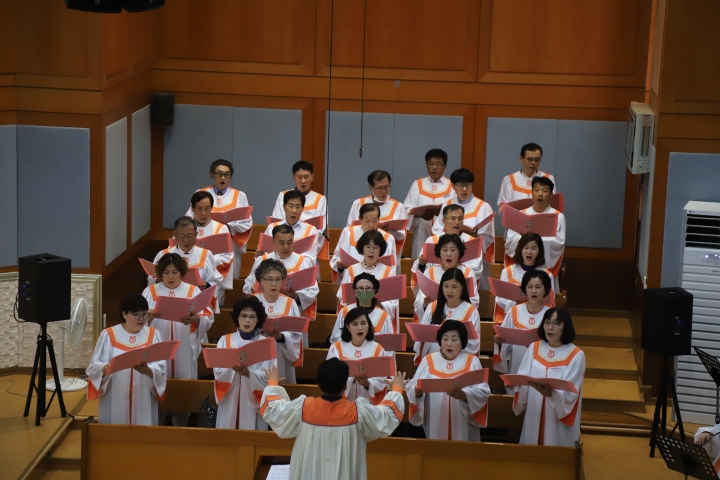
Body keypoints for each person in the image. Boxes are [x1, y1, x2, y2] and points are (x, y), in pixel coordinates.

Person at [260, 359, 407, 480]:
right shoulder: (358, 413)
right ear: (345, 386)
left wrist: (272, 382)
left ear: (318, 384)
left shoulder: (303, 408)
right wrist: (397, 389)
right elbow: (387, 414)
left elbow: (273, 409)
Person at [143, 253, 214, 426]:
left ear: (181, 272)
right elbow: (138, 320)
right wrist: (147, 318)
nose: (170, 277)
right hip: (158, 346)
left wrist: (195, 319)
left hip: (184, 346)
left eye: (174, 272)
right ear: (160, 273)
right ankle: (157, 424)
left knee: (183, 390)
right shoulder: (150, 292)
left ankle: (181, 424)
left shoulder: (192, 291)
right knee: (157, 382)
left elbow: (207, 317)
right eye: (166, 273)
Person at [86, 293, 166, 426]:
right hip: (115, 395)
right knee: (115, 432)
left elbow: (161, 367)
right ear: (124, 314)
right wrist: (104, 369)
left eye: (144, 314)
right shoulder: (108, 335)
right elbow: (93, 367)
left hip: (143, 396)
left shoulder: (154, 335)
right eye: (136, 315)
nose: (141, 319)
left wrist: (148, 370)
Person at [406, 320, 491, 441]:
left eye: (454, 339)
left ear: (462, 343)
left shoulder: (472, 362)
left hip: (462, 421)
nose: (449, 344)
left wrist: (464, 396)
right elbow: (412, 387)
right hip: (435, 418)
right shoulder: (428, 361)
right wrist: (417, 392)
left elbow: (483, 392)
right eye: (445, 339)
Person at [513, 308, 585, 447]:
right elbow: (523, 377)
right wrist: (517, 384)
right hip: (534, 409)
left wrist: (551, 394)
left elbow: (571, 392)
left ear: (566, 327)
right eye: (547, 322)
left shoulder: (576, 355)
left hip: (556, 418)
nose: (550, 327)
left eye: (556, 323)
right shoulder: (534, 348)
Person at [213, 296, 276, 430]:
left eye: (252, 316)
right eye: (244, 316)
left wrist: (249, 374)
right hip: (230, 395)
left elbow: (269, 375)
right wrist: (233, 367)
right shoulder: (225, 340)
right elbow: (218, 371)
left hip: (252, 401)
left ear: (258, 319)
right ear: (237, 317)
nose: (247, 320)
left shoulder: (265, 344)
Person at [187, 159, 253, 279]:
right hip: (203, 242)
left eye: (227, 174)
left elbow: (246, 223)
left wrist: (228, 226)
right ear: (212, 174)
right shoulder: (201, 193)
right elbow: (189, 220)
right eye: (219, 174)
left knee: (228, 282)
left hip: (228, 244)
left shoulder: (239, 196)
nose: (223, 178)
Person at [431, 168, 494, 289]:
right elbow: (437, 229)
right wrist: (451, 234)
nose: (464, 189)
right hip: (449, 253)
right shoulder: (447, 204)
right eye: (460, 185)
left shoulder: (483, 207)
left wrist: (474, 237)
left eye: (468, 185)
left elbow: (489, 237)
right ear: (453, 186)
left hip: (471, 256)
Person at [244, 224, 319, 320]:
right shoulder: (262, 260)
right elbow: (247, 285)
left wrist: (296, 297)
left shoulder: (304, 262)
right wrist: (252, 289)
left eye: (289, 242)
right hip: (263, 310)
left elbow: (312, 290)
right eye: (282, 243)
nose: (286, 247)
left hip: (292, 311)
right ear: (273, 241)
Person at [151, 216, 223, 313]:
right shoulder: (163, 255)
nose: (186, 240)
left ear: (196, 234)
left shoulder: (206, 255)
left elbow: (216, 281)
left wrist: (206, 285)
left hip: (195, 304)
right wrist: (160, 278)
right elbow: (152, 280)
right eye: (182, 236)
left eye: (190, 236)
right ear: (175, 235)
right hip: (168, 302)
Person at [504, 176, 565, 291]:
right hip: (522, 268)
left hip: (543, 268)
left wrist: (533, 240)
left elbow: (558, 244)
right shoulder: (521, 215)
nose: (540, 194)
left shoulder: (558, 217)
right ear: (532, 193)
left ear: (551, 195)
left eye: (545, 190)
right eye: (536, 190)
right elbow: (510, 241)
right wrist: (524, 237)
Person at [327, 308, 395, 404]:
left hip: (369, 405)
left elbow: (382, 380)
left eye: (363, 323)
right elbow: (330, 375)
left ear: (369, 325)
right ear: (347, 327)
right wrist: (351, 379)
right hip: (343, 405)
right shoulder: (336, 348)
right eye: (355, 324)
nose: (360, 328)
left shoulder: (378, 349)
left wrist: (367, 384)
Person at [414, 268, 481, 365]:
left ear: (462, 287)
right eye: (446, 286)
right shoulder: (432, 307)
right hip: (435, 361)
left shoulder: (471, 312)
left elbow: (473, 345)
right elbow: (422, 337)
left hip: (459, 363)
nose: (449, 291)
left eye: (454, 287)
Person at [252, 258, 303, 383]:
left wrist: (281, 337)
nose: (274, 284)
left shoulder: (290, 303)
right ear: (261, 280)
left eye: (278, 279)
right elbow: (242, 329)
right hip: (257, 353)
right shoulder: (252, 301)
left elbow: (296, 335)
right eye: (269, 279)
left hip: (281, 353)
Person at [493, 270, 552, 378]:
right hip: (517, 364)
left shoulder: (551, 314)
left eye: (538, 287)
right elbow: (506, 347)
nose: (533, 291)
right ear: (525, 289)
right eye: (530, 287)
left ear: (546, 290)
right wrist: (500, 342)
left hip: (541, 368)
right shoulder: (513, 312)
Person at [413, 234, 479, 323]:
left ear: (459, 252)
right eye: (444, 250)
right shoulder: (430, 272)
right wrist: (424, 304)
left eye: (453, 250)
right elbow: (418, 302)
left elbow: (474, 302)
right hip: (436, 317)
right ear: (439, 253)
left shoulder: (468, 273)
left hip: (459, 318)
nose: (448, 254)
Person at [272, 160, 329, 261]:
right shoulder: (283, 195)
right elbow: (277, 223)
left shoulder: (320, 199)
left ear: (312, 177)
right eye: (299, 177)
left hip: (307, 253)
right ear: (293, 177)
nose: (303, 181)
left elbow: (320, 231)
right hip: (283, 250)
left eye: (306, 177)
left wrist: (302, 248)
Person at [336, 230, 398, 325]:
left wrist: (378, 304)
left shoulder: (389, 272)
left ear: (380, 250)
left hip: (378, 319)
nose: (371, 251)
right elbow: (342, 296)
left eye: (375, 247)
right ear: (362, 248)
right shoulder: (351, 270)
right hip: (355, 319)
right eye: (368, 247)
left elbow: (393, 302)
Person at [412, 204, 482, 285]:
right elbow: (423, 271)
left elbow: (476, 270)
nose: (457, 222)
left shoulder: (473, 242)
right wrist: (422, 264)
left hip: (460, 285)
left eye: (460, 218)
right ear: (444, 221)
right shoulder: (432, 240)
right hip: (436, 283)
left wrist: (457, 266)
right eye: (453, 218)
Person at [403, 149, 455, 258]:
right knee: (421, 262)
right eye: (431, 164)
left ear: (445, 166)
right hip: (421, 232)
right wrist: (419, 214)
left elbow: (456, 211)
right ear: (426, 165)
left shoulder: (452, 186)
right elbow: (406, 210)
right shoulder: (417, 184)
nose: (434, 167)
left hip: (445, 235)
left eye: (438, 164)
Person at [493, 232, 554, 324]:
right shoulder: (507, 272)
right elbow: (500, 299)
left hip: (538, 318)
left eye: (533, 248)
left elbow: (550, 302)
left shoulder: (547, 275)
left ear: (539, 251)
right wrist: (516, 303)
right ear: (520, 249)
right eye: (526, 248)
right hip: (514, 317)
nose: (529, 252)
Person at [346, 170, 408, 259]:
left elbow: (401, 235)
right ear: (370, 188)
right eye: (379, 188)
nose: (383, 191)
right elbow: (350, 230)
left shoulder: (398, 206)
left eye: (386, 187)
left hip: (385, 252)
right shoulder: (358, 204)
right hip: (361, 252)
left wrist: (386, 231)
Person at [330, 203, 398, 282]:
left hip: (378, 282)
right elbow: (336, 258)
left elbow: (392, 268)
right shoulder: (348, 233)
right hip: (353, 281)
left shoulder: (388, 238)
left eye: (374, 221)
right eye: (367, 221)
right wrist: (339, 265)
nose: (371, 225)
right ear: (360, 219)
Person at [189, 191, 234, 307]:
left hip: (211, 282)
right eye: (199, 208)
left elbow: (227, 257)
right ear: (192, 208)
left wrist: (205, 261)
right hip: (188, 282)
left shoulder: (221, 229)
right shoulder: (185, 229)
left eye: (207, 208)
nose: (203, 213)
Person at [330, 273, 394, 343]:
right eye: (360, 288)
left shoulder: (384, 316)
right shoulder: (345, 312)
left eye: (368, 288)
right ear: (355, 290)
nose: (364, 292)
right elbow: (335, 339)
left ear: (374, 291)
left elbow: (389, 344)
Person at [262, 189, 321, 265]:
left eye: (298, 207)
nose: (294, 211)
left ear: (302, 209)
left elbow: (310, 261)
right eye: (291, 206)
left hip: (298, 270)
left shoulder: (311, 230)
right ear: (284, 207)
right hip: (275, 269)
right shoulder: (272, 227)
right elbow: (266, 255)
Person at [497, 143, 556, 207]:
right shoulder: (509, 180)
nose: (533, 163)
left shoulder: (548, 178)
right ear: (521, 158)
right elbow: (502, 205)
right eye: (530, 159)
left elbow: (553, 205)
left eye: (537, 160)